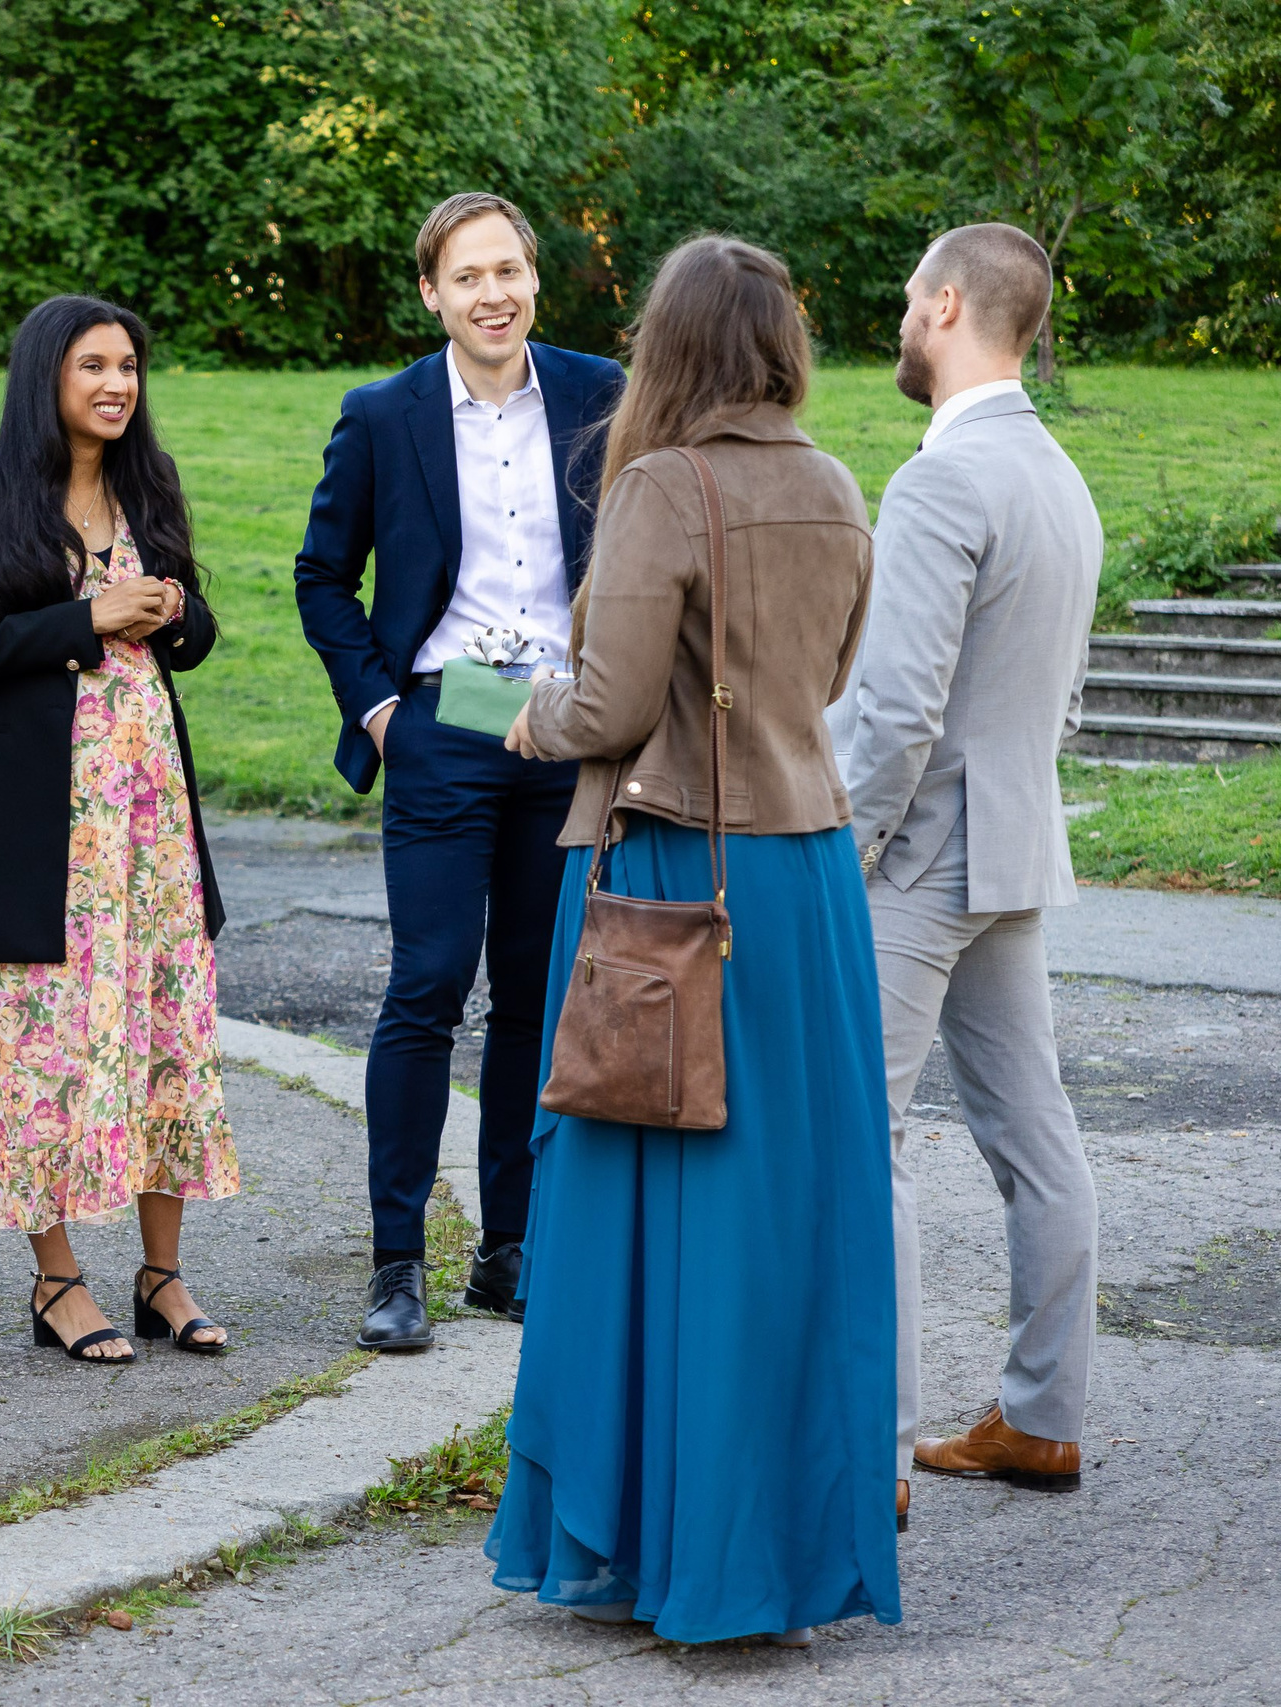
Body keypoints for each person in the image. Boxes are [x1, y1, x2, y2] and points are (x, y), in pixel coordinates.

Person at [491, 235, 901, 1645]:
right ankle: (765, 1553)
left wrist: (534, 712)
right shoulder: (840, 485)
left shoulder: (664, 483)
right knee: (781, 1221)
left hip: (672, 880)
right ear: (781, 344)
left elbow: (604, 712)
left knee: (653, 1220)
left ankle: (659, 1544)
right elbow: (830, 674)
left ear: (668, 348)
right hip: (807, 882)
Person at [293, 192, 625, 1348]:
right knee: (427, 989)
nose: (494, 294)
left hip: (562, 727)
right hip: (440, 723)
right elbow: (321, 576)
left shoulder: (597, 396)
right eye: (467, 276)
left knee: (537, 1000)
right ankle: (397, 1268)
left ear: (536, 280)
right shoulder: (382, 415)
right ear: (431, 293)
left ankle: (510, 1250)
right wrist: (381, 708)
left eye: (510, 271)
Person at [829, 223, 1102, 1513]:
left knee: (860, 1137)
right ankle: (1042, 1418)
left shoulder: (940, 482)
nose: (896, 324)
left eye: (902, 303)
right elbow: (1062, 693)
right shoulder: (1060, 475)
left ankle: (869, 1453)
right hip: (1013, 846)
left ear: (943, 306)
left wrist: (847, 848)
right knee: (1034, 1134)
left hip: (923, 859)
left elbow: (892, 712)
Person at [0, 295, 235, 1365]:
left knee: (161, 1035)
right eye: (93, 365)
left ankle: (163, 1275)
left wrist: (173, 612)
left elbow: (193, 634)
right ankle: (57, 1282)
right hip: (44, 827)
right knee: (40, 1049)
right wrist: (90, 618)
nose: (116, 384)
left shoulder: (147, 486)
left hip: (149, 825)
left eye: (129, 367)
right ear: (45, 375)